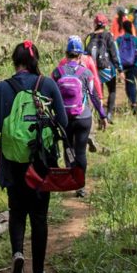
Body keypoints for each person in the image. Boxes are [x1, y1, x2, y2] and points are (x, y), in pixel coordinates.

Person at [0, 40, 67, 273]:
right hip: (41, 163)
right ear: (35, 61)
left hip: (12, 163)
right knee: (40, 216)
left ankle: (18, 254)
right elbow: (63, 121)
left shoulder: (1, 88)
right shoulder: (48, 85)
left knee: (17, 212)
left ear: (14, 61)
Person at [52, 36, 107, 198]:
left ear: (66, 54)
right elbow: (94, 96)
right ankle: (80, 186)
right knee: (81, 151)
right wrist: (102, 115)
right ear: (80, 56)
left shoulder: (57, 72)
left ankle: (71, 180)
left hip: (64, 119)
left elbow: (51, 95)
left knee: (68, 148)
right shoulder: (86, 73)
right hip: (83, 117)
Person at [85, 13, 121, 121]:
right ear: (105, 24)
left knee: (98, 94)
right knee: (112, 90)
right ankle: (109, 113)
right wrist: (120, 69)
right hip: (107, 69)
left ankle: (100, 116)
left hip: (93, 69)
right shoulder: (109, 36)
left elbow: (85, 54)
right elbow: (114, 53)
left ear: (95, 24)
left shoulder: (89, 37)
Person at [118, 19, 137, 115]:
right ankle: (133, 103)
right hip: (134, 65)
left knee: (127, 84)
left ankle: (131, 101)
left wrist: (118, 66)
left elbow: (115, 52)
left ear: (123, 28)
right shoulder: (136, 40)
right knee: (132, 83)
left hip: (123, 65)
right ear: (131, 27)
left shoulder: (119, 39)